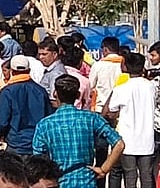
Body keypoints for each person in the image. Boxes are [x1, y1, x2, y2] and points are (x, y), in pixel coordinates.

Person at [32, 75, 124, 188]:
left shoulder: (44, 125)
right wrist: (104, 169)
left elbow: (39, 159)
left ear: (55, 94)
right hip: (87, 181)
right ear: (78, 95)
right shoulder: (91, 118)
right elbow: (119, 144)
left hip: (60, 182)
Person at [102, 52, 155, 188]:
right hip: (147, 140)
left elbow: (111, 112)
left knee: (130, 175)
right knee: (147, 175)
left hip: (127, 140)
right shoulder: (151, 87)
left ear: (125, 66)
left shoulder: (121, 88)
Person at [0, 56, 53, 155]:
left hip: (16, 144)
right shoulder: (40, 91)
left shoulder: (7, 92)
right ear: (29, 70)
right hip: (37, 144)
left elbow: (2, 121)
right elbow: (48, 118)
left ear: (12, 71)